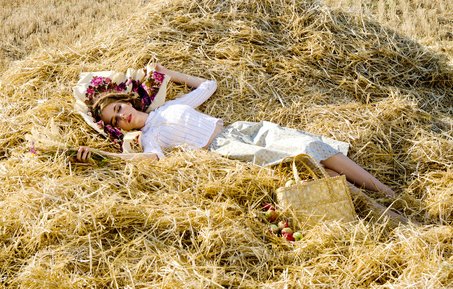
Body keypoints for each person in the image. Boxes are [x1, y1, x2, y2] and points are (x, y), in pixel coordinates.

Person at [76, 64, 412, 224]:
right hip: (226, 149)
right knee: (302, 161)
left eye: (119, 109)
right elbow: (152, 160)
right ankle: (381, 213)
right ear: (116, 128)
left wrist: (169, 74)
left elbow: (208, 85)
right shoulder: (149, 138)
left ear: (127, 101)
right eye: (114, 121)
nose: (121, 118)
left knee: (310, 145)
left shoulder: (169, 107)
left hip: (243, 129)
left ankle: (383, 190)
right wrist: (105, 154)